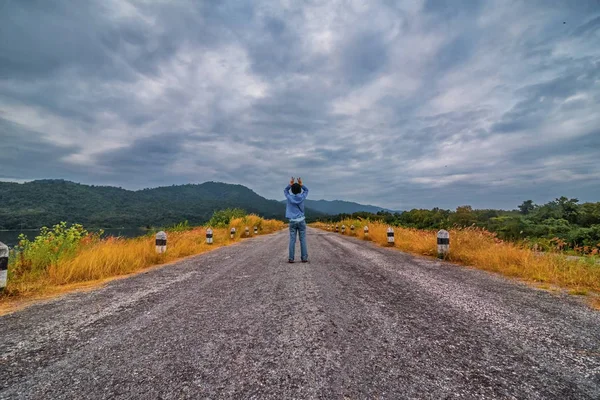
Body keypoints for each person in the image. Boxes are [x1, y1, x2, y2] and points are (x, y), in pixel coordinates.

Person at [284, 177, 309, 263]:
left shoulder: (289, 197)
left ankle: (291, 258)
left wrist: (289, 184)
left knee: (292, 240)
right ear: (299, 190)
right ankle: (304, 258)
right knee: (302, 240)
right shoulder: (302, 196)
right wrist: (301, 184)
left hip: (292, 221)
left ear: (292, 190)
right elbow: (306, 190)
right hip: (301, 220)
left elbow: (285, 191)